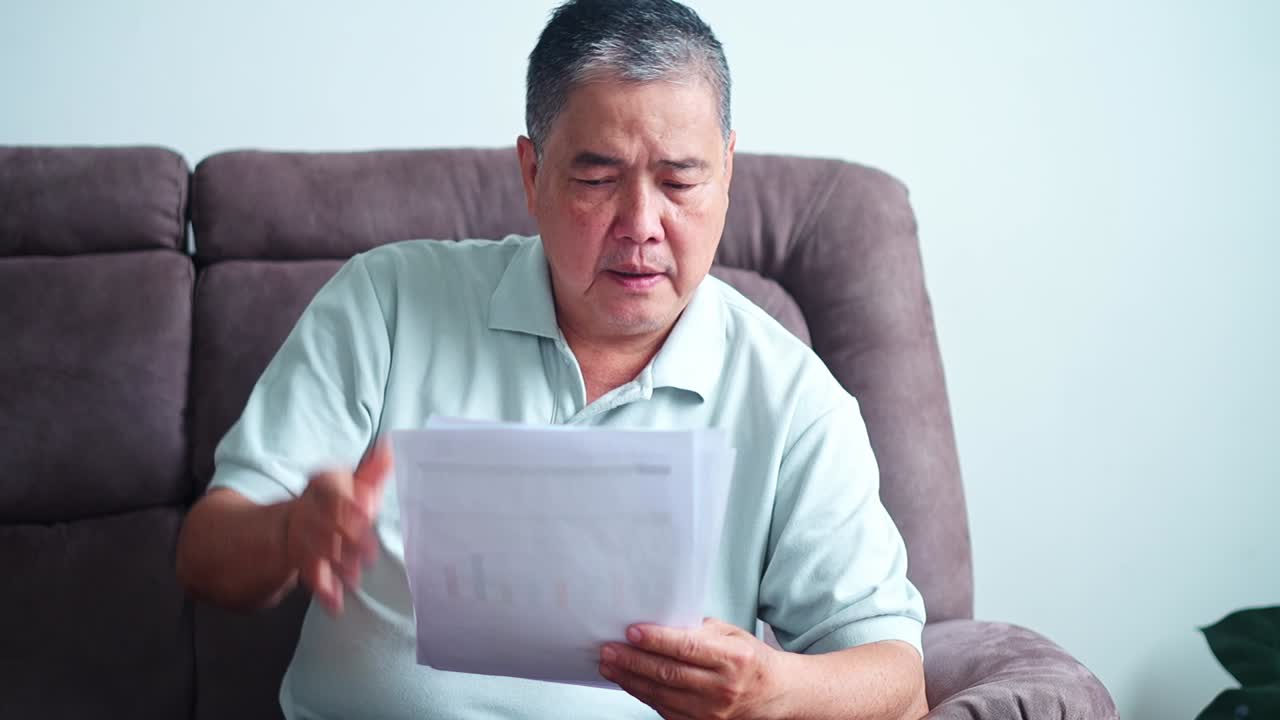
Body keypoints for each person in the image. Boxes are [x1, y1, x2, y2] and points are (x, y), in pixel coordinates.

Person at [176, 1, 929, 718]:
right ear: (531, 174)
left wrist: (777, 691)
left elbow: (899, 682)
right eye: (598, 180)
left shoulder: (794, 399)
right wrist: (290, 535)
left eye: (680, 181)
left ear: (728, 172)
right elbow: (207, 551)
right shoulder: (390, 299)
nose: (641, 225)